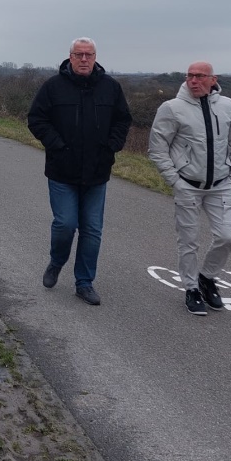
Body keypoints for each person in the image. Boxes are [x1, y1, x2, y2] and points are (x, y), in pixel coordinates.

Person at [26, 38, 132, 306]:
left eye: (89, 54)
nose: (84, 59)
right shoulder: (53, 87)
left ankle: (84, 283)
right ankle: (56, 261)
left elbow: (122, 120)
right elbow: (36, 119)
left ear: (95, 57)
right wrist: (57, 146)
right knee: (65, 224)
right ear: (70, 57)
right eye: (79, 54)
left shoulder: (111, 87)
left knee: (92, 230)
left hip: (97, 171)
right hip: (62, 170)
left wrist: (111, 147)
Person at [148, 61, 231, 316]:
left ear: (213, 79)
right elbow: (157, 148)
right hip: (188, 186)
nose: (194, 80)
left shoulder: (229, 106)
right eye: (190, 76)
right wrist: (175, 181)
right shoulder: (171, 108)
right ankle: (191, 288)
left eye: (200, 76)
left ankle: (207, 277)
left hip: (222, 185)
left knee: (226, 236)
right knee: (188, 241)